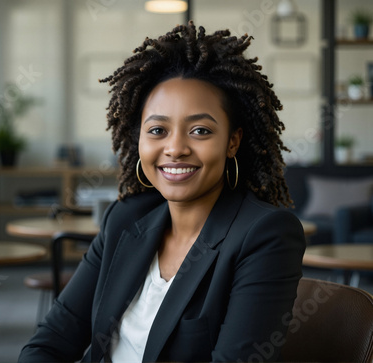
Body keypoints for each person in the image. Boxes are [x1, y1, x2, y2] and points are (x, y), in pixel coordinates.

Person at [18, 21, 306, 362]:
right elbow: (49, 343)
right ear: (138, 138)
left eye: (200, 130)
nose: (175, 148)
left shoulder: (264, 235)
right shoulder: (124, 219)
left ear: (233, 141)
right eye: (157, 129)